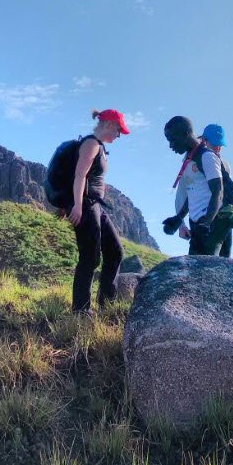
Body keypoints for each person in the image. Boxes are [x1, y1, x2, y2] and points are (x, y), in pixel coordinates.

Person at [67, 109, 130, 313]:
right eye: (118, 130)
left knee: (115, 251)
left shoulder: (99, 146)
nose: (118, 135)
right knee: (90, 256)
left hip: (95, 205)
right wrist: (77, 205)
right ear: (110, 124)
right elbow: (79, 175)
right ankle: (81, 309)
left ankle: (106, 305)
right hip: (86, 205)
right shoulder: (91, 144)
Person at [162, 116, 227, 255]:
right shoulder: (188, 159)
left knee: (208, 267)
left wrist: (207, 223)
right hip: (198, 225)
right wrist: (179, 218)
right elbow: (193, 192)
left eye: (172, 140)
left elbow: (218, 191)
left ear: (185, 134)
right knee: (194, 267)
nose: (171, 145)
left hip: (213, 223)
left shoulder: (207, 156)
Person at [199, 123, 233, 258]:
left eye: (220, 144)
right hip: (218, 212)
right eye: (215, 144)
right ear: (205, 141)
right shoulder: (202, 158)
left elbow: (225, 188)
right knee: (218, 254)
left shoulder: (220, 162)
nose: (218, 147)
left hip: (222, 212)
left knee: (218, 254)